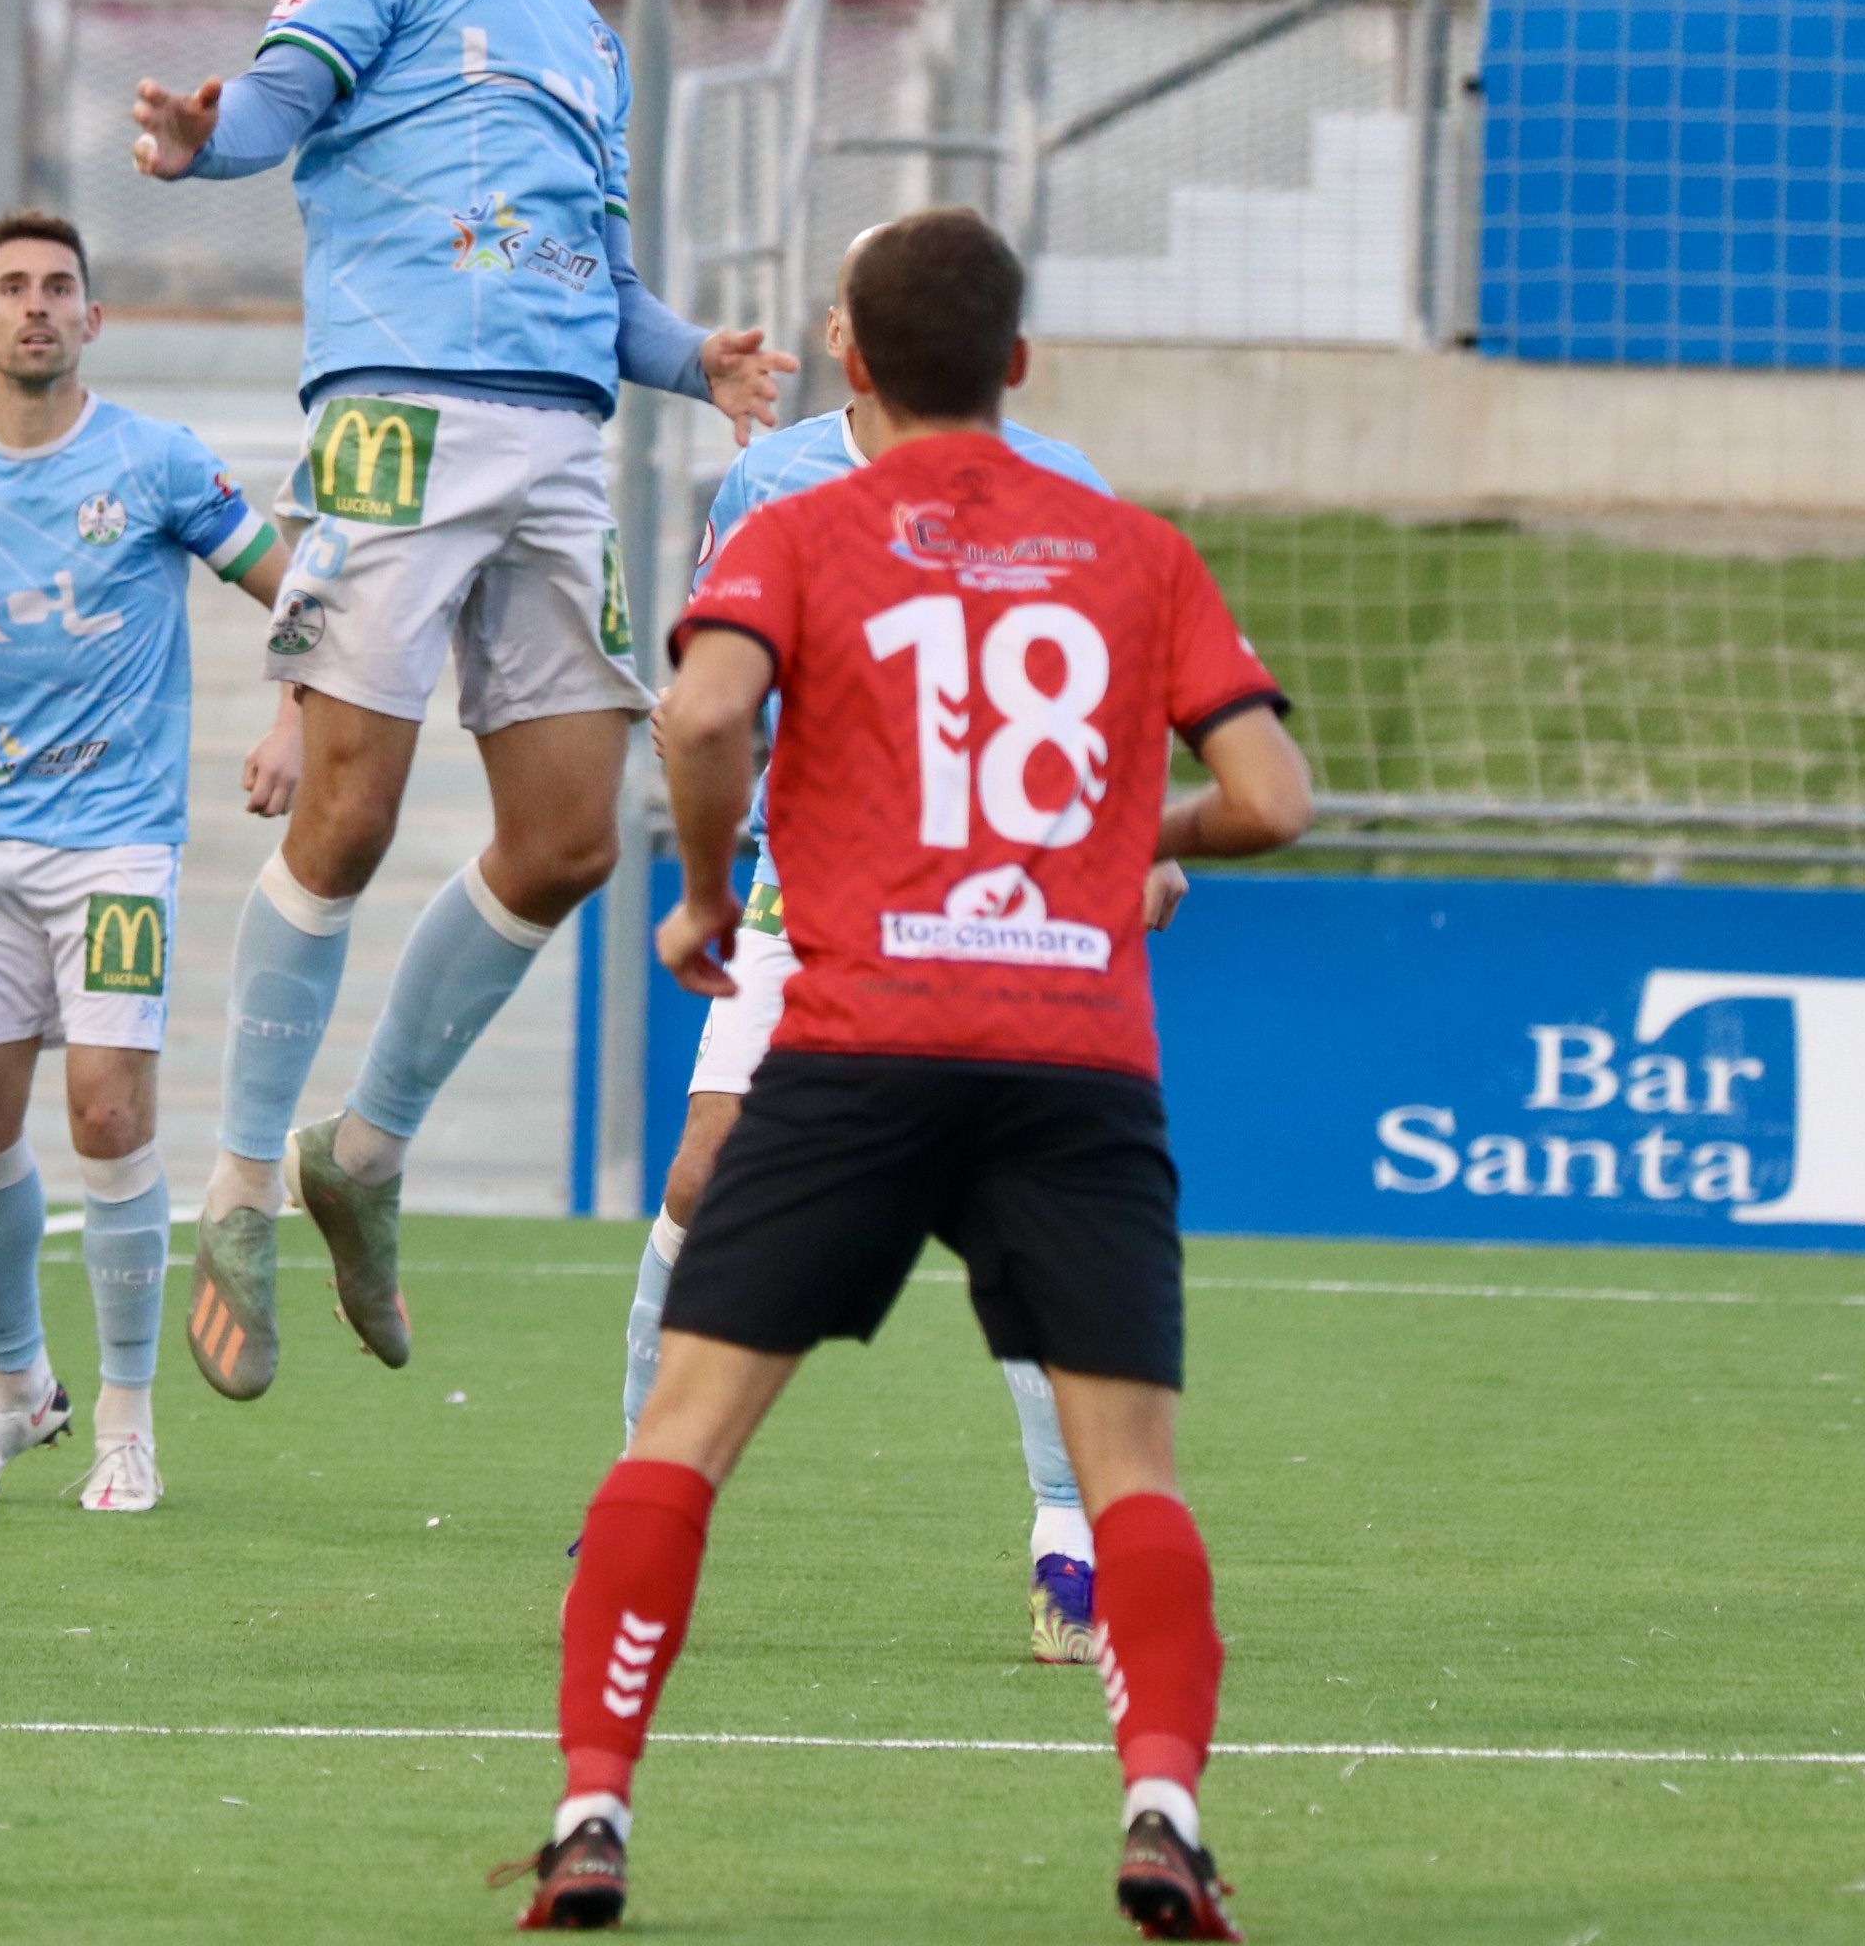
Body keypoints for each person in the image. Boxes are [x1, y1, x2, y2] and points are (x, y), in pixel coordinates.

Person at [510, 208, 1312, 1938]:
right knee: (1134, 1478)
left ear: (849, 365)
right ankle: (1160, 1804)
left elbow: (701, 715)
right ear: (1014, 366)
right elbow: (1271, 801)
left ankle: (588, 1810)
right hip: (1065, 1053)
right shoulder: (1126, 544)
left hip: (862, 1031)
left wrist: (711, 895)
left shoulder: (800, 521)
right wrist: (1127, 844)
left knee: (686, 1437)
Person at [129, 0, 792, 1399]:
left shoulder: (584, 31)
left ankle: (366, 1146)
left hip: (559, 448)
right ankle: (235, 1183)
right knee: (346, 809)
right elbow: (281, 93)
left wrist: (689, 355)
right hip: (396, 417)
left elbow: (591, 274)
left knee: (570, 839)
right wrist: (210, 147)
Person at [618, 231, 1185, 1665]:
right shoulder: (770, 483)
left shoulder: (1069, 488)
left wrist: (1134, 848)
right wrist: (729, 864)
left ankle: (1068, 1539)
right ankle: (637, 1506)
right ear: (841, 334)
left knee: (1023, 1231)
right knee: (702, 1171)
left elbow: (1108, 698)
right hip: (808, 888)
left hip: (1003, 898)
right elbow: (721, 689)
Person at [0, 212, 297, 1515]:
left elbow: (302, 589)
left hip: (119, 844)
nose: (36, 306)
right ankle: (15, 1393)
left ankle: (125, 1423)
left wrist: (295, 719)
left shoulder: (157, 463)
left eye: (60, 288)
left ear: (94, 320)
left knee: (107, 1109)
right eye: (11, 287)